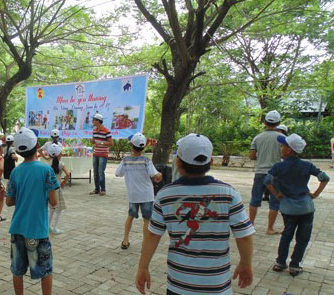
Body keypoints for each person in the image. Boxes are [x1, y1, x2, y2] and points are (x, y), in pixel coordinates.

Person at [135, 133, 255, 295]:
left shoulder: (165, 195)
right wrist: (246, 264)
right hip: (217, 285)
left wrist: (143, 267)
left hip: (179, 285)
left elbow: (152, 235)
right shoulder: (229, 194)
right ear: (211, 161)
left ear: (178, 162)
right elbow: (244, 236)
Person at [265, 134, 330, 277]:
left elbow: (267, 180)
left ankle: (280, 262)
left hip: (288, 208)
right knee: (303, 238)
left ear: (289, 150)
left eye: (283, 146)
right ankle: (295, 265)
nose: (281, 148)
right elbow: (325, 178)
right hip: (306, 207)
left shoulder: (279, 166)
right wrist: (315, 194)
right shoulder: (307, 165)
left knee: (286, 235)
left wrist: (277, 194)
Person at [6, 127, 59, 295]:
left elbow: (9, 201)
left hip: (17, 228)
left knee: (17, 270)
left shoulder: (15, 172)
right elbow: (54, 202)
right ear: (37, 145)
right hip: (38, 229)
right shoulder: (46, 170)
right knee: (46, 270)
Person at [115, 133, 162, 249]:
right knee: (147, 219)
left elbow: (117, 173)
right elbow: (155, 174)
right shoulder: (146, 161)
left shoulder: (125, 161)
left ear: (131, 145)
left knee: (130, 216)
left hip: (133, 195)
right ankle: (145, 242)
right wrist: (159, 175)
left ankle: (125, 240)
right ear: (143, 147)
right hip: (147, 194)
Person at [249, 110, 282, 235]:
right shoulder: (282, 138)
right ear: (278, 123)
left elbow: (252, 156)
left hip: (260, 172)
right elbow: (284, 154)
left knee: (255, 200)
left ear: (264, 122)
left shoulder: (257, 138)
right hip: (276, 174)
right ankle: (270, 228)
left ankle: (251, 226)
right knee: (275, 201)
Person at [47, 143, 70, 235]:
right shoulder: (61, 164)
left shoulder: (47, 164)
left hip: (49, 189)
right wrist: (64, 182)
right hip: (57, 188)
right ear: (59, 154)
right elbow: (68, 174)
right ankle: (55, 228)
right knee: (59, 209)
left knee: (51, 208)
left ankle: (48, 226)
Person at [90, 113, 113, 196]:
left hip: (103, 154)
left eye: (93, 120)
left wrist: (101, 143)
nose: (92, 121)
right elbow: (94, 140)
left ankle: (103, 189)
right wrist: (92, 141)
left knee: (100, 172)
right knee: (95, 172)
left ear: (98, 121)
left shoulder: (107, 131)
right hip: (95, 153)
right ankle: (96, 189)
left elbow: (111, 143)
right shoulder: (94, 130)